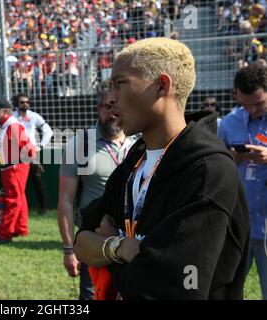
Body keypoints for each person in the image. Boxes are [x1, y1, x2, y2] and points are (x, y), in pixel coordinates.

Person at [74, 37, 250, 299]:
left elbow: (168, 289)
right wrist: (120, 248)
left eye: (120, 84)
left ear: (161, 86)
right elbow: (82, 243)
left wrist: (111, 259)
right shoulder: (137, 158)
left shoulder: (208, 171)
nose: (109, 99)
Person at [57, 81, 136, 300]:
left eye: (116, 106)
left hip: (131, 240)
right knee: (92, 296)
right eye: (106, 107)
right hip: (94, 240)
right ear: (97, 109)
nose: (112, 113)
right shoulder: (80, 144)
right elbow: (65, 200)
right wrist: (68, 249)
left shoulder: (137, 142)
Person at [217, 64, 267, 300]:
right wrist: (232, 158)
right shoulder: (228, 123)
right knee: (226, 289)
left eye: (258, 103)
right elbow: (215, 168)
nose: (252, 110)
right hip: (239, 225)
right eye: (245, 104)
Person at [0, 98, 35, 243]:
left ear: (5, 112)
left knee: (13, 199)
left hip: (15, 167)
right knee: (19, 197)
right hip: (12, 166)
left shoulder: (13, 125)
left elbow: (28, 147)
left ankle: (4, 234)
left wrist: (29, 160)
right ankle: (20, 228)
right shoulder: (8, 125)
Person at [12, 93, 53, 215]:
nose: (25, 104)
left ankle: (43, 207)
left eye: (27, 102)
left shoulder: (34, 116)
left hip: (30, 153)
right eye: (22, 102)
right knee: (18, 183)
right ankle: (19, 208)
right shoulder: (12, 117)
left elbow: (48, 131)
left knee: (37, 182)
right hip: (16, 153)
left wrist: (40, 146)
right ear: (17, 104)